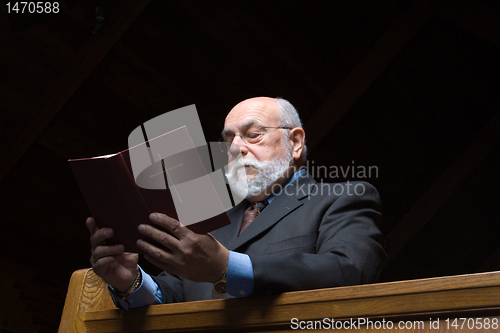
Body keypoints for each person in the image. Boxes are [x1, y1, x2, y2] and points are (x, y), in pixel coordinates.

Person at [86, 97, 386, 309]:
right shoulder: (213, 216)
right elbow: (176, 291)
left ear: (295, 142)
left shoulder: (343, 197)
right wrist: (131, 282)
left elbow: (349, 271)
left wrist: (227, 266)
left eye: (253, 135)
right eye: (228, 140)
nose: (236, 148)